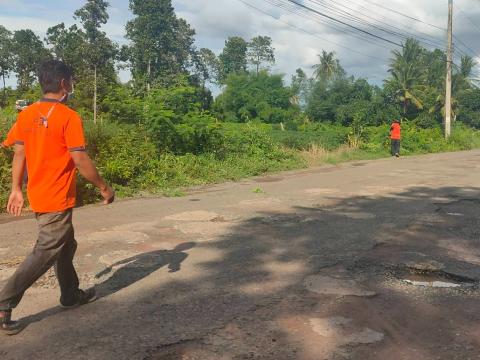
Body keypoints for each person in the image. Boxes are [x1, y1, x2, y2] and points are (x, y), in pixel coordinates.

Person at [0, 60, 115, 335]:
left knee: (66, 244)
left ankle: (70, 295)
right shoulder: (68, 116)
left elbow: (19, 153)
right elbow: (79, 158)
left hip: (38, 192)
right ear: (64, 84)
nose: (72, 85)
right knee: (46, 250)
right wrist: (103, 186)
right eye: (71, 81)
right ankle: (4, 302)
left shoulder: (26, 114)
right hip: (56, 195)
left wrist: (15, 188)